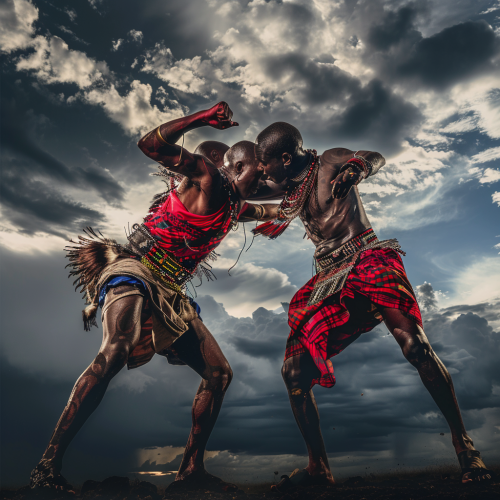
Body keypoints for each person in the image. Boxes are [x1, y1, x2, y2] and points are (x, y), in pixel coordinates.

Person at [29, 102, 277, 492]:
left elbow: (268, 210)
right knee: (116, 350)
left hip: (169, 289)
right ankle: (46, 467)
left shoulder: (235, 206)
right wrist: (201, 117)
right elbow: (149, 144)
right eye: (260, 174)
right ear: (239, 167)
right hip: (136, 268)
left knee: (219, 373)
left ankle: (190, 472)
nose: (264, 182)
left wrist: (295, 204)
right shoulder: (209, 177)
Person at [251, 122, 494, 490]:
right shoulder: (287, 187)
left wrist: (358, 168)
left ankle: (465, 447)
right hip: (330, 279)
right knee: (294, 372)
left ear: (285, 157)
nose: (263, 169)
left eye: (265, 162)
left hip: (367, 259)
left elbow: (372, 156)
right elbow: (244, 193)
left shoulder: (330, 160)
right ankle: (319, 468)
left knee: (416, 347)